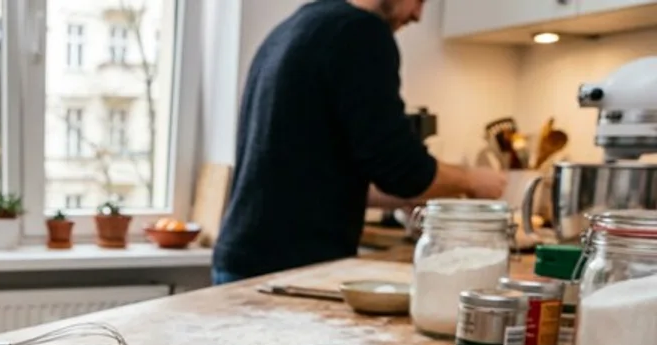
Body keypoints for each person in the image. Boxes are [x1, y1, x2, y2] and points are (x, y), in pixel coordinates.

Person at [212, 0, 507, 285]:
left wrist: (411, 196)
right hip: (290, 267)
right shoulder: (360, 31)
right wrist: (471, 180)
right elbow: (403, 170)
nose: (417, 15)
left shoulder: (294, 27)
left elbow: (314, 176)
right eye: (419, 0)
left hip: (244, 257)